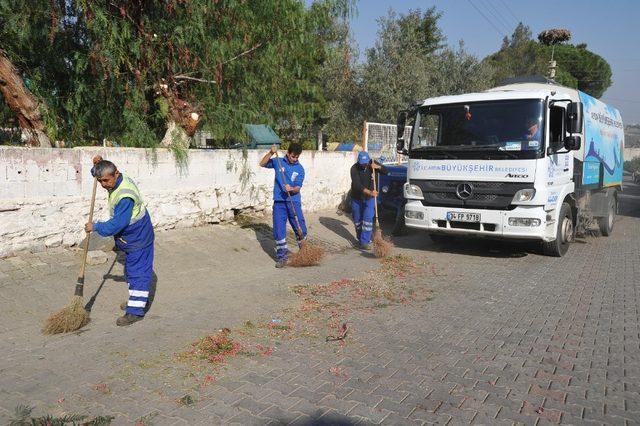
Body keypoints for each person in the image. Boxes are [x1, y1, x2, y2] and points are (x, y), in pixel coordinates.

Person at [85, 156, 155, 326]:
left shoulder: (125, 197)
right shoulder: (115, 177)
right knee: (130, 271)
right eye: (100, 181)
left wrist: (95, 227)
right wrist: (97, 165)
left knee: (138, 273)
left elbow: (117, 225)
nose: (103, 184)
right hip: (130, 237)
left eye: (106, 181)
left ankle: (135, 312)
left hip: (138, 236)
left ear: (116, 174)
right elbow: (99, 172)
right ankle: (136, 299)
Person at [259, 143, 307, 268]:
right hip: (279, 202)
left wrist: (291, 188)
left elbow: (297, 188)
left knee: (299, 225)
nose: (295, 159)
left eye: (297, 157)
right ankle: (282, 257)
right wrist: (270, 152)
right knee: (279, 229)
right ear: (288, 153)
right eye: (293, 156)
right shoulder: (278, 161)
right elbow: (262, 164)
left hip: (293, 201)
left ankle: (305, 251)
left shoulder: (300, 169)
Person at [350, 151, 388, 250]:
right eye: (362, 163)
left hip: (369, 199)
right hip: (357, 197)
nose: (364, 165)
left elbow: (386, 171)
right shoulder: (354, 168)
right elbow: (357, 185)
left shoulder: (372, 163)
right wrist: (370, 192)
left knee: (367, 219)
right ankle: (360, 238)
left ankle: (365, 241)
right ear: (358, 161)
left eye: (366, 162)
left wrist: (378, 167)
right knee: (357, 220)